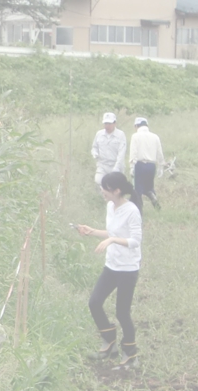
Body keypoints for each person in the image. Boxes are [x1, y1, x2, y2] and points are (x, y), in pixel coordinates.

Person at [75, 172, 142, 369]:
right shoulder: (110, 207)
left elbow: (135, 241)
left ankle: (130, 355)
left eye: (105, 188)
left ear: (117, 190)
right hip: (111, 266)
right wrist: (92, 232)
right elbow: (112, 233)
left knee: (122, 313)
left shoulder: (132, 211)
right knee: (94, 303)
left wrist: (112, 240)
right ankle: (109, 340)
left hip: (128, 269)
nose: (102, 191)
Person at [129, 117, 164, 213]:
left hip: (139, 165)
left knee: (138, 189)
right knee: (148, 186)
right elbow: (159, 153)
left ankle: (139, 211)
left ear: (136, 126)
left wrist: (132, 167)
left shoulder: (135, 136)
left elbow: (133, 153)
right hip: (151, 166)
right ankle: (152, 195)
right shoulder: (155, 136)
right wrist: (161, 166)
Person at [91, 112, 126, 187]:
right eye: (106, 123)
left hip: (115, 164)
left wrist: (116, 167)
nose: (107, 126)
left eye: (109, 124)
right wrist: (95, 153)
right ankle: (103, 198)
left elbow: (121, 153)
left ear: (114, 123)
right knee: (98, 181)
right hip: (102, 165)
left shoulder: (120, 135)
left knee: (115, 186)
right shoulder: (99, 134)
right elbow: (94, 147)